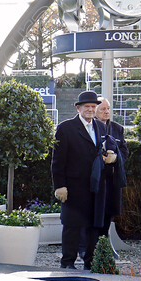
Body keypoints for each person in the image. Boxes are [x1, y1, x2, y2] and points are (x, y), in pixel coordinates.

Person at [51, 90, 119, 270]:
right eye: (86, 106)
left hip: (95, 186)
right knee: (72, 226)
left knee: (93, 227)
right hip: (73, 187)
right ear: (79, 108)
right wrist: (60, 186)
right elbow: (57, 160)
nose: (90, 109)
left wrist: (110, 157)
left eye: (92, 106)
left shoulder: (100, 126)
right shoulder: (66, 128)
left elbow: (100, 151)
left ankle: (90, 262)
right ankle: (67, 264)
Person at [95, 97, 129, 237]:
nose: (106, 111)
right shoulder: (90, 128)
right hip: (95, 179)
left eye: (108, 108)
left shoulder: (117, 128)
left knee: (109, 211)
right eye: (103, 109)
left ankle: (104, 242)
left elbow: (125, 150)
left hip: (112, 179)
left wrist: (116, 158)